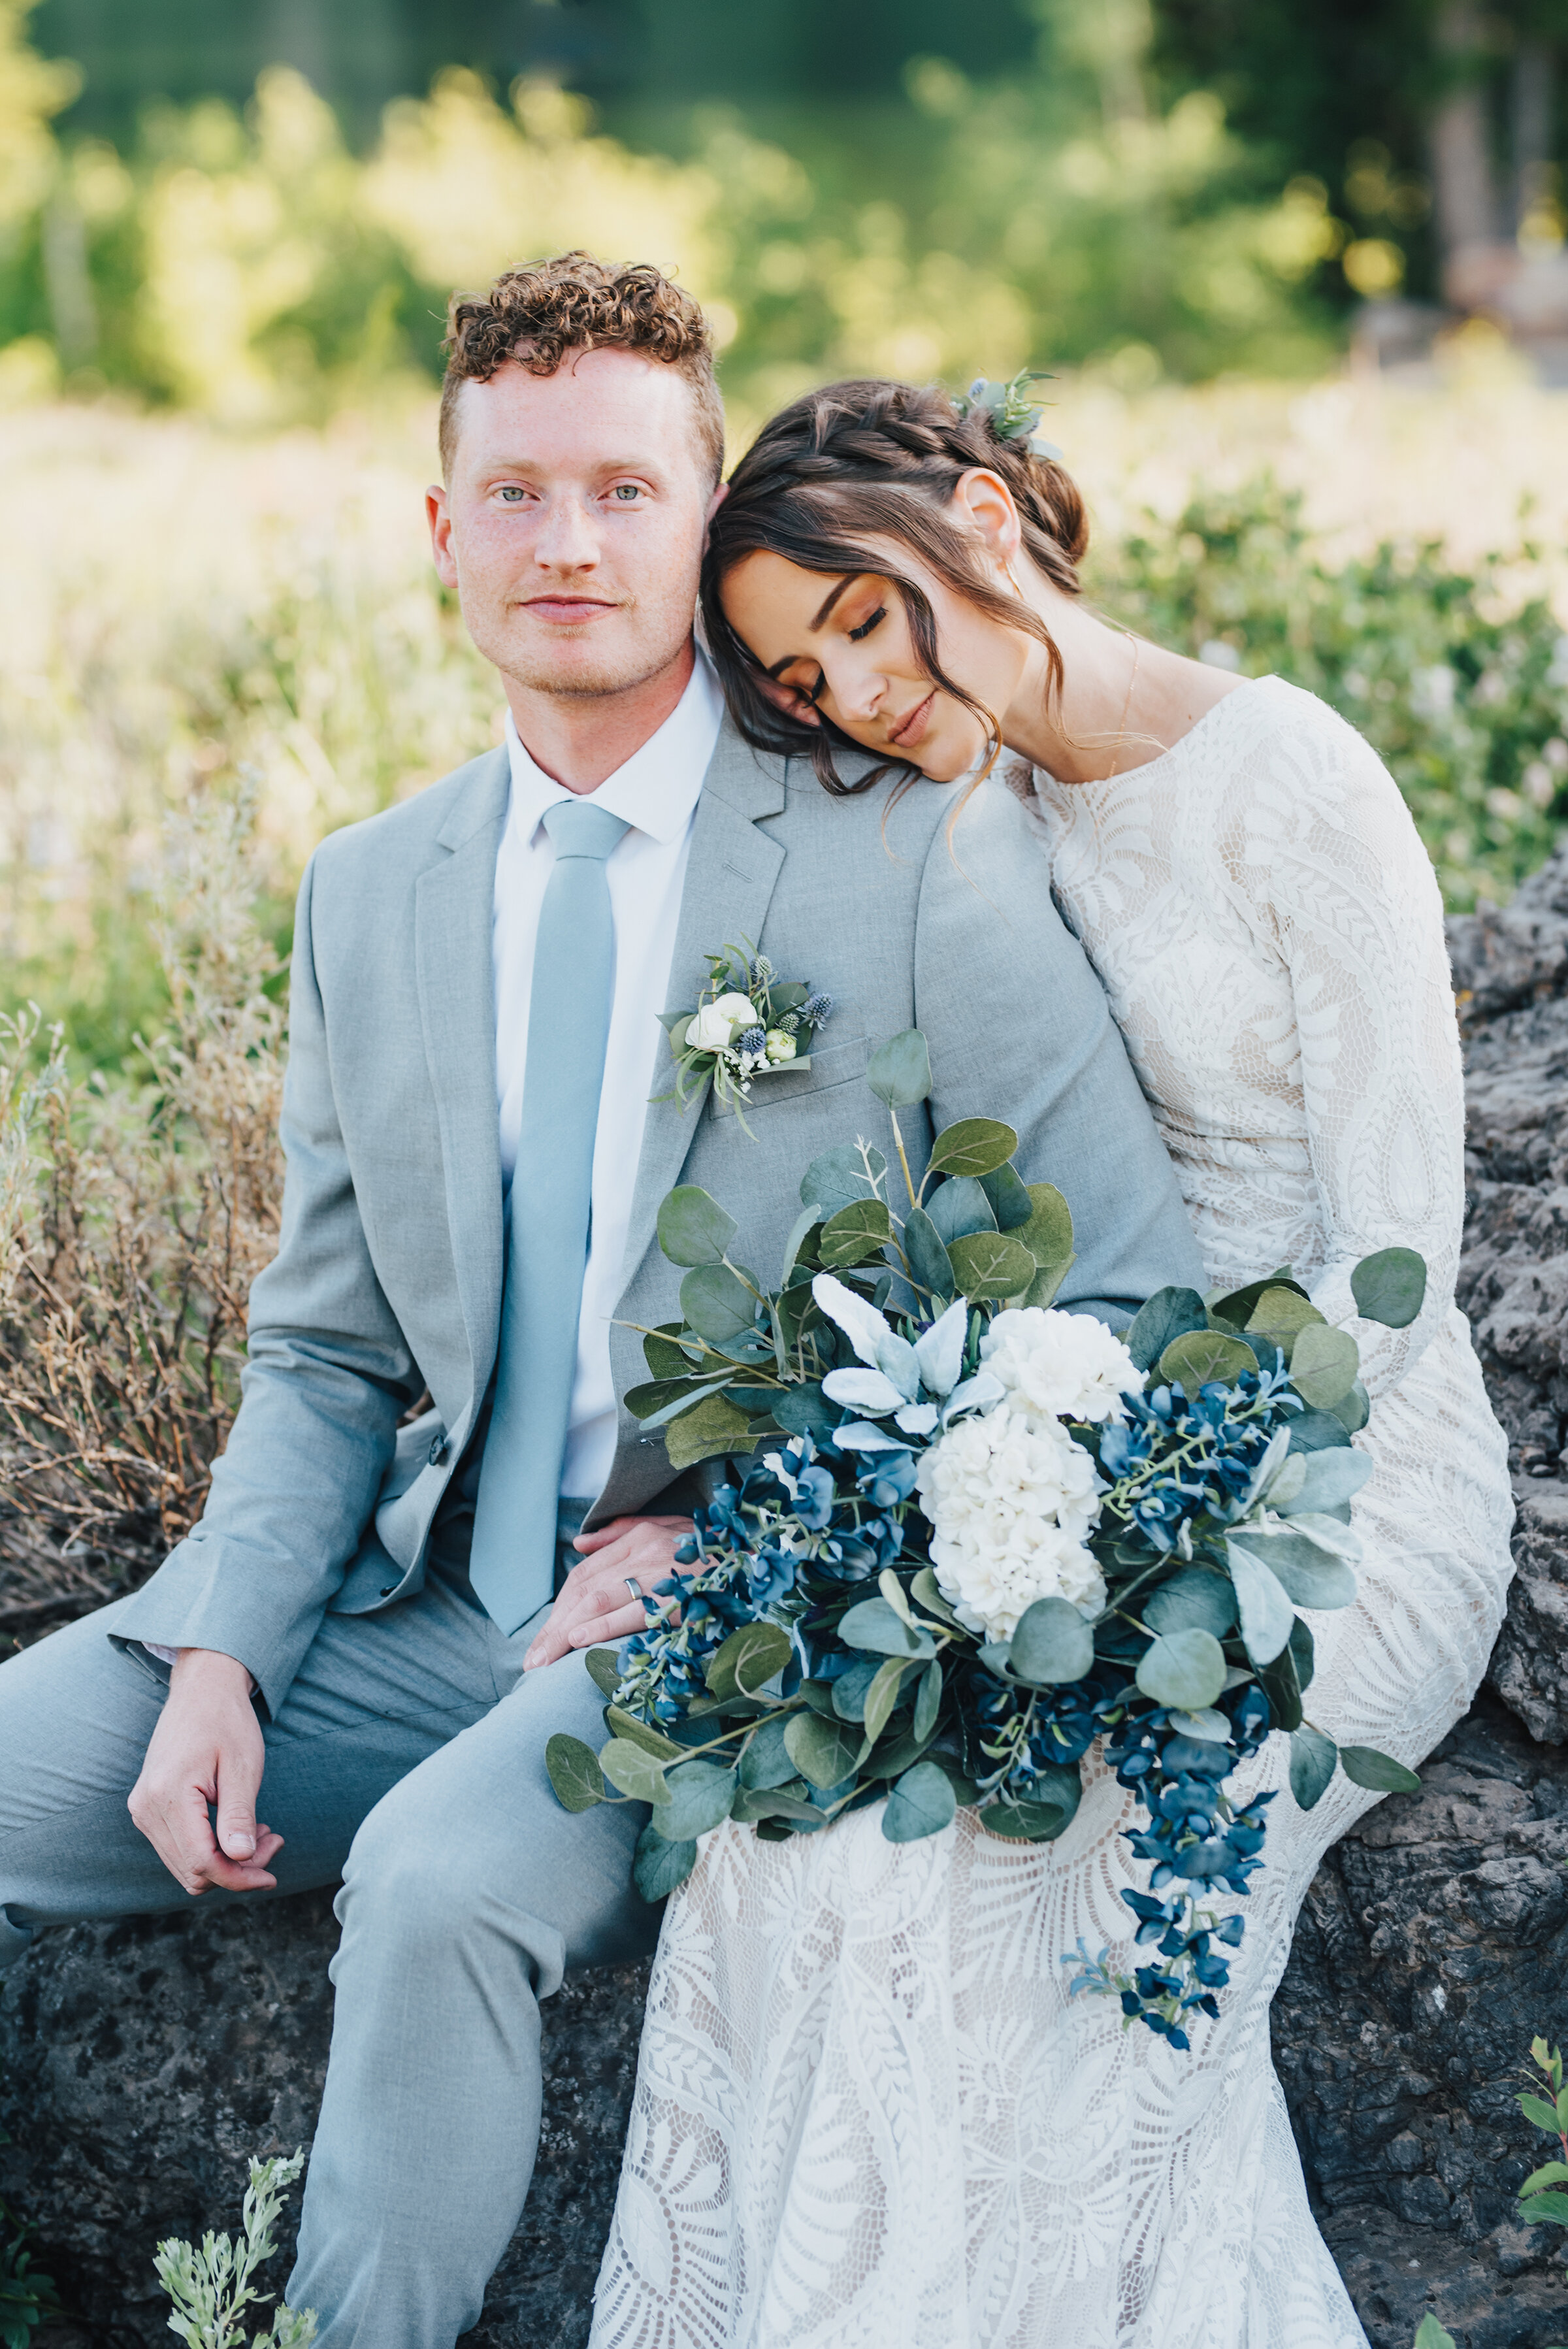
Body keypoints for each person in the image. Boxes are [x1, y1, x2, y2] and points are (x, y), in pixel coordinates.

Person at [0, 280, 1204, 2348]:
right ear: (440, 529)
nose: (570, 541)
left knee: (447, 1889)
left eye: (627, 490)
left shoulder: (910, 845)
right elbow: (322, 1348)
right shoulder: (367, 886)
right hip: (409, 1602)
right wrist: (219, 1650)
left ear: (701, 512)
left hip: (718, 1618)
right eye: (520, 492)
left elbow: (1124, 1296)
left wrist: (760, 1530)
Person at [587, 378, 1516, 2348]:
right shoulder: (979, 817)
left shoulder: (1294, 776)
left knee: (1080, 1872)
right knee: (800, 1840)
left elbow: (1398, 1252)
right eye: (799, 676)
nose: (847, 690)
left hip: (1349, 1494)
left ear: (985, 523)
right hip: (1086, 1476)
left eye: (859, 618)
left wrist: (1168, 1510)